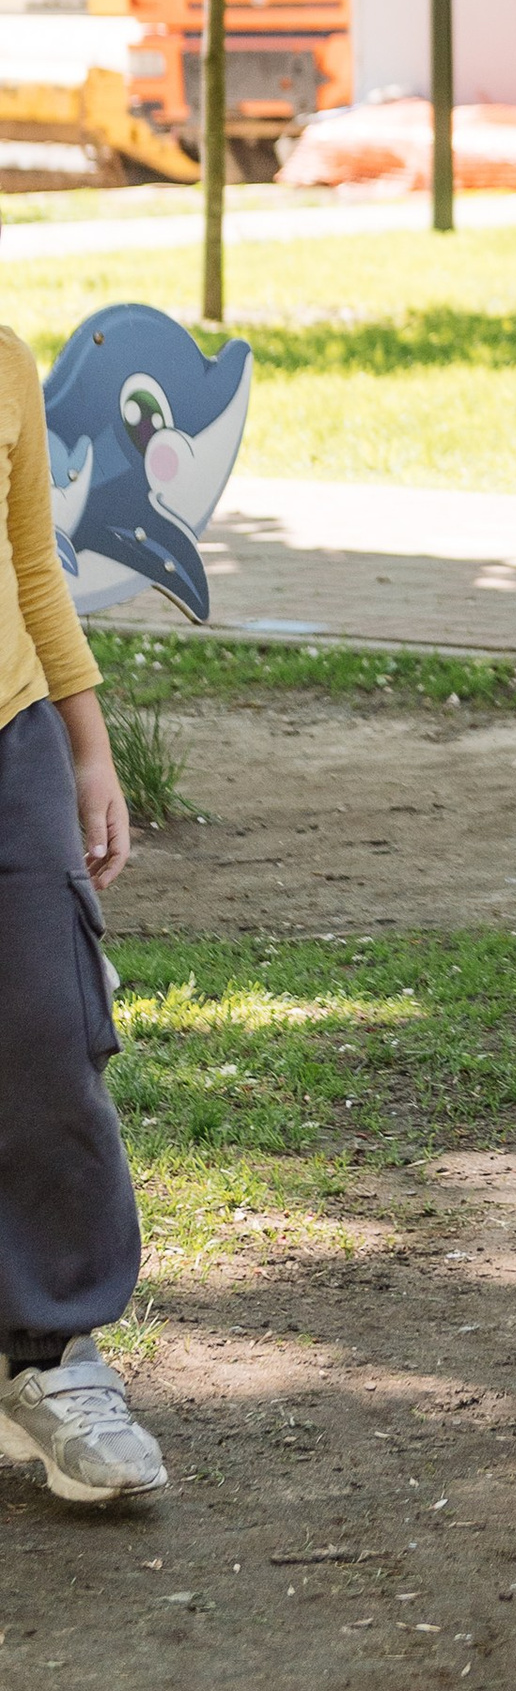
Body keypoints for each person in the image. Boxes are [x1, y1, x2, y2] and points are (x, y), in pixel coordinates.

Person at [0, 326, 164, 1506]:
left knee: (49, 1032)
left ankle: (53, 1351)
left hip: (8, 737)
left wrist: (88, 746)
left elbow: (31, 561)